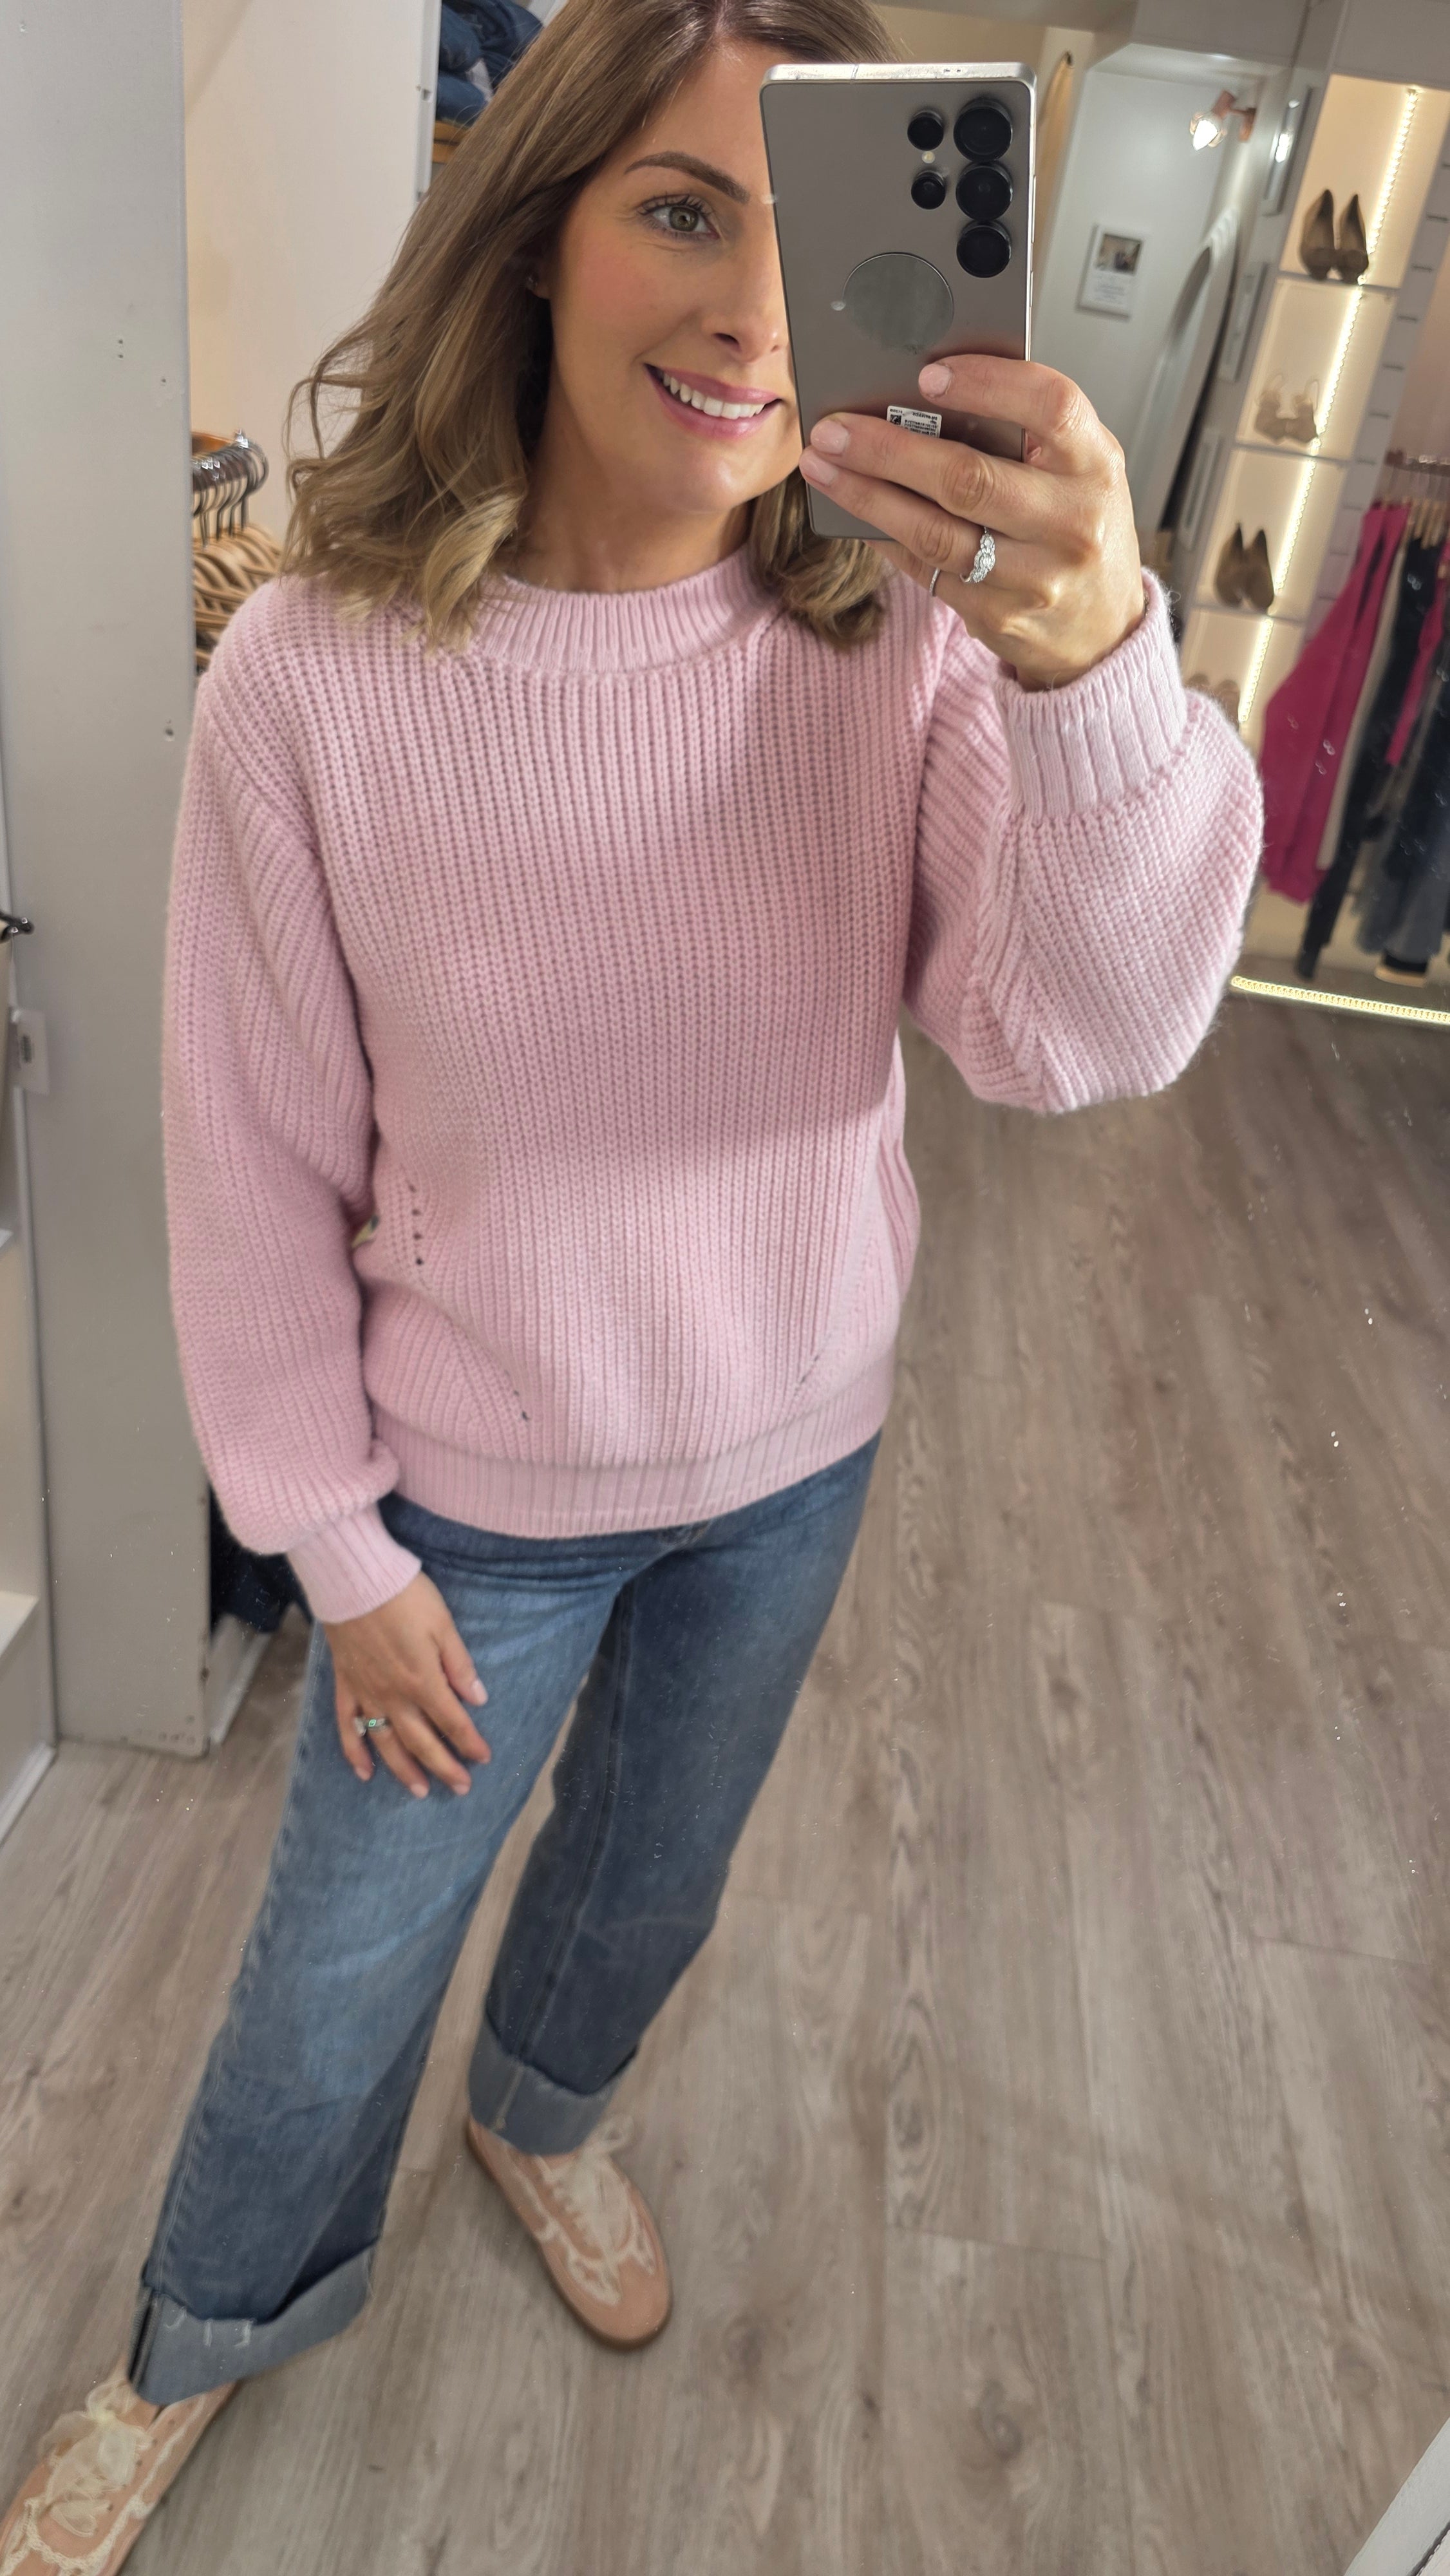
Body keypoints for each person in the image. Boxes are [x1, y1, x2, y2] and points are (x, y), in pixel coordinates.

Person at [0, 0, 1263, 2559]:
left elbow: (1079, 1040)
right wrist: (330, 1544)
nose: (757, 314)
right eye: (684, 209)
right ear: (538, 233)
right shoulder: (317, 679)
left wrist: (1091, 662)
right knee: (334, 1971)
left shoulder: (897, 646)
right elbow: (248, 1164)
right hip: (461, 1510)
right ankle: (201, 2326)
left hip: (791, 1458)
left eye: (814, 234)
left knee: (643, 1884)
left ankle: (542, 2115)